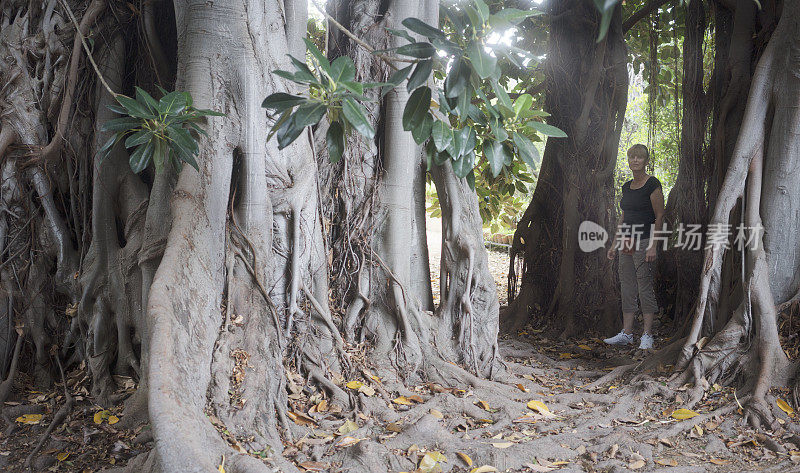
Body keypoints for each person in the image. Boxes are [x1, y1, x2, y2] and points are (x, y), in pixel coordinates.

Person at [605, 144, 665, 350]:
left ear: (646, 161)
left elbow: (659, 216)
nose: (635, 160)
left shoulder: (652, 185)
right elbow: (624, 217)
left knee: (644, 285)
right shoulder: (626, 187)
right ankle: (627, 333)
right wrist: (615, 244)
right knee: (628, 285)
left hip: (644, 239)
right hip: (627, 242)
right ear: (628, 160)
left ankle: (647, 335)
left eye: (640, 157)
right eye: (632, 157)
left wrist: (653, 246)